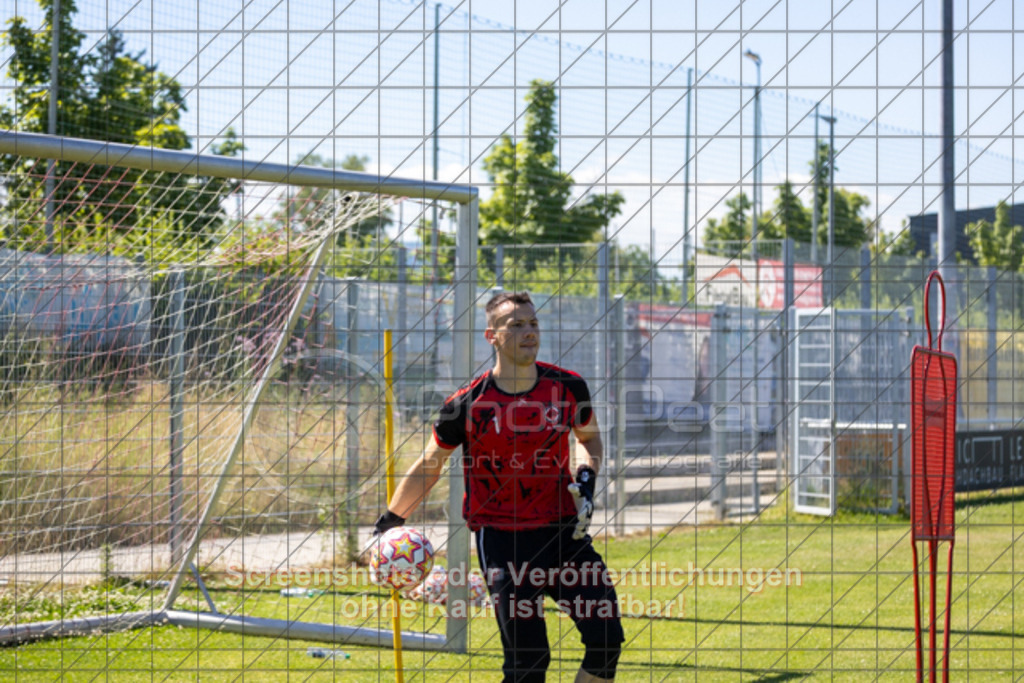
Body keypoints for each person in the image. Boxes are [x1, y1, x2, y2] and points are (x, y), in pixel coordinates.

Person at [373, 291, 624, 682]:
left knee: (606, 637)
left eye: (533, 323)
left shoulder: (569, 387)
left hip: (564, 534)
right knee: (529, 663)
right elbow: (429, 464)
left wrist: (587, 476)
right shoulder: (467, 403)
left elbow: (588, 439)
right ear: (492, 336)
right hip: (504, 542)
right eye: (516, 325)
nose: (529, 332)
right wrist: (391, 519)